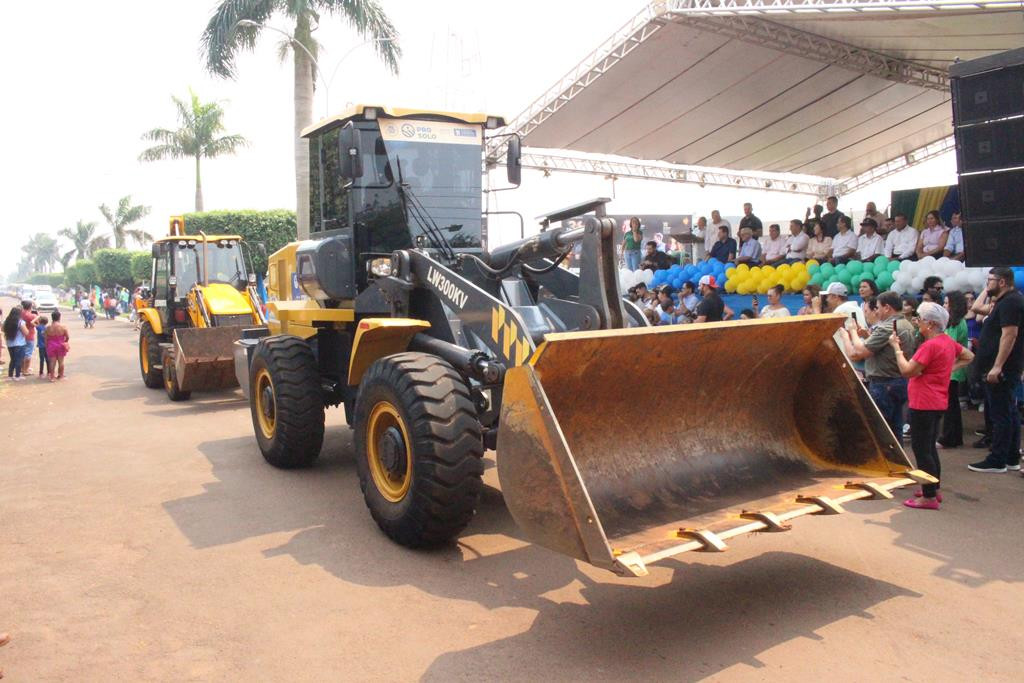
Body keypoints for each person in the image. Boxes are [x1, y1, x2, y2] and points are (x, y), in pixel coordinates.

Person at [890, 301, 974, 509]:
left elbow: (907, 370)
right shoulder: (946, 342)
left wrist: (896, 349)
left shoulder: (930, 346)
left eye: (920, 319)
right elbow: (968, 355)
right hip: (937, 400)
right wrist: (946, 369)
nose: (918, 323)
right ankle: (933, 488)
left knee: (922, 449)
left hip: (923, 402)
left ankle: (928, 495)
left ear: (930, 324)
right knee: (928, 447)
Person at [968, 267, 1024, 473]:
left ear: (1002, 282)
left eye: (990, 280)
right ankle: (1009, 457)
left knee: (1002, 415)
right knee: (1007, 413)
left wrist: (998, 365)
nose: (986, 284)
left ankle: (998, 459)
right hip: (999, 368)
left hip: (1002, 369)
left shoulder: (1011, 302)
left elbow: (1009, 335)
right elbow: (976, 309)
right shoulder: (1004, 301)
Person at [839, 291, 917, 439]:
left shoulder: (887, 327)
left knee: (880, 432)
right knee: (895, 429)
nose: (877, 311)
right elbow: (886, 348)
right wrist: (867, 336)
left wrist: (849, 334)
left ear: (887, 308)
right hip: (898, 381)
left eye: (878, 307)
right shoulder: (905, 323)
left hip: (884, 383)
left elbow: (858, 352)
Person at [938, 291, 970, 448]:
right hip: (953, 368)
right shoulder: (955, 322)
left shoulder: (956, 323)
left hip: (952, 368)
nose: (944, 306)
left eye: (946, 303)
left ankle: (949, 437)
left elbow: (949, 344)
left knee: (950, 405)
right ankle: (954, 436)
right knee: (953, 405)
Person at [3, 306, 30, 381]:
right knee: (19, 360)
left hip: (10, 343)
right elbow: (26, 333)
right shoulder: (20, 322)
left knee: (13, 359)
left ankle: (10, 375)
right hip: (20, 344)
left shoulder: (6, 321)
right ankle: (17, 375)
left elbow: (2, 329)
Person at [45, 310, 70, 381]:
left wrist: (47, 346)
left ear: (52, 317)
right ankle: (61, 375)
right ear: (59, 317)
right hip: (60, 345)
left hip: (51, 345)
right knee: (61, 362)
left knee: (52, 362)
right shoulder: (63, 327)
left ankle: (52, 377)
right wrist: (65, 342)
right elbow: (67, 337)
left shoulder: (48, 327)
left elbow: (46, 338)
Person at [20, 300, 37, 376]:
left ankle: (22, 368)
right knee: (28, 354)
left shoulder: (21, 314)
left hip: (21, 335)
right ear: (30, 307)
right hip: (29, 335)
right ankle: (25, 370)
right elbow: (38, 322)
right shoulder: (31, 316)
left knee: (22, 353)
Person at [35, 315, 50, 380]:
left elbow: (32, 322)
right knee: (47, 359)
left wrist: (37, 317)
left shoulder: (39, 327)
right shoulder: (47, 328)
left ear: (40, 321)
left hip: (41, 346)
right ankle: (49, 372)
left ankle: (41, 373)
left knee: (41, 359)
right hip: (47, 345)